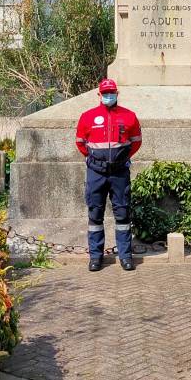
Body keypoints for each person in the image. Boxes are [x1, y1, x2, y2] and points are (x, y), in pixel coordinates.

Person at [75, 78, 142, 272]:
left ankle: (125, 256)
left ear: (117, 94)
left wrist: (122, 158)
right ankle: (96, 257)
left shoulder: (129, 116)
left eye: (111, 92)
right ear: (99, 95)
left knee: (122, 214)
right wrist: (95, 159)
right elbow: (80, 142)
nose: (108, 96)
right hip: (96, 172)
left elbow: (136, 142)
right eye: (105, 93)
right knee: (95, 215)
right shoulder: (87, 117)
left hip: (119, 172)